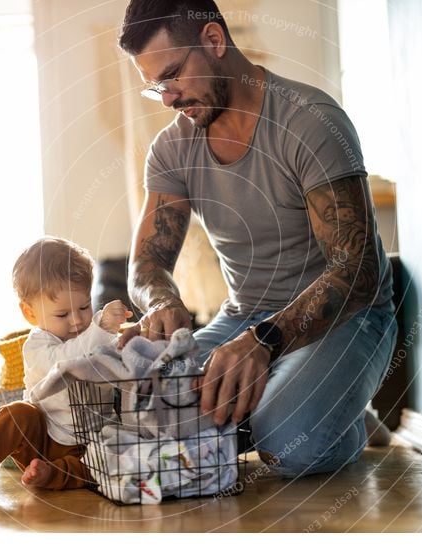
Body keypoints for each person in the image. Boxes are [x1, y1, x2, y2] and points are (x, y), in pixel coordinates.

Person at [118, 0, 398, 478]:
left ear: (213, 40)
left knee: (288, 443)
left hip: (348, 317)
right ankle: (315, 398)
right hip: (244, 318)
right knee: (147, 413)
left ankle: (339, 417)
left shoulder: (309, 121)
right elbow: (147, 264)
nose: (167, 98)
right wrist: (160, 299)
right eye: (155, 87)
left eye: (172, 75)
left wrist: (265, 341)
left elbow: (358, 272)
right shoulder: (171, 148)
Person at [0, 237, 132, 501]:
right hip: (46, 437)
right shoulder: (37, 345)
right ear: (30, 313)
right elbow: (65, 361)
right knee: (17, 414)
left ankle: (51, 475)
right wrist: (100, 330)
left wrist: (129, 340)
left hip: (93, 441)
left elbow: (114, 360)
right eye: (62, 314)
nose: (78, 320)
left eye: (84, 307)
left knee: (111, 457)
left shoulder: (95, 330)